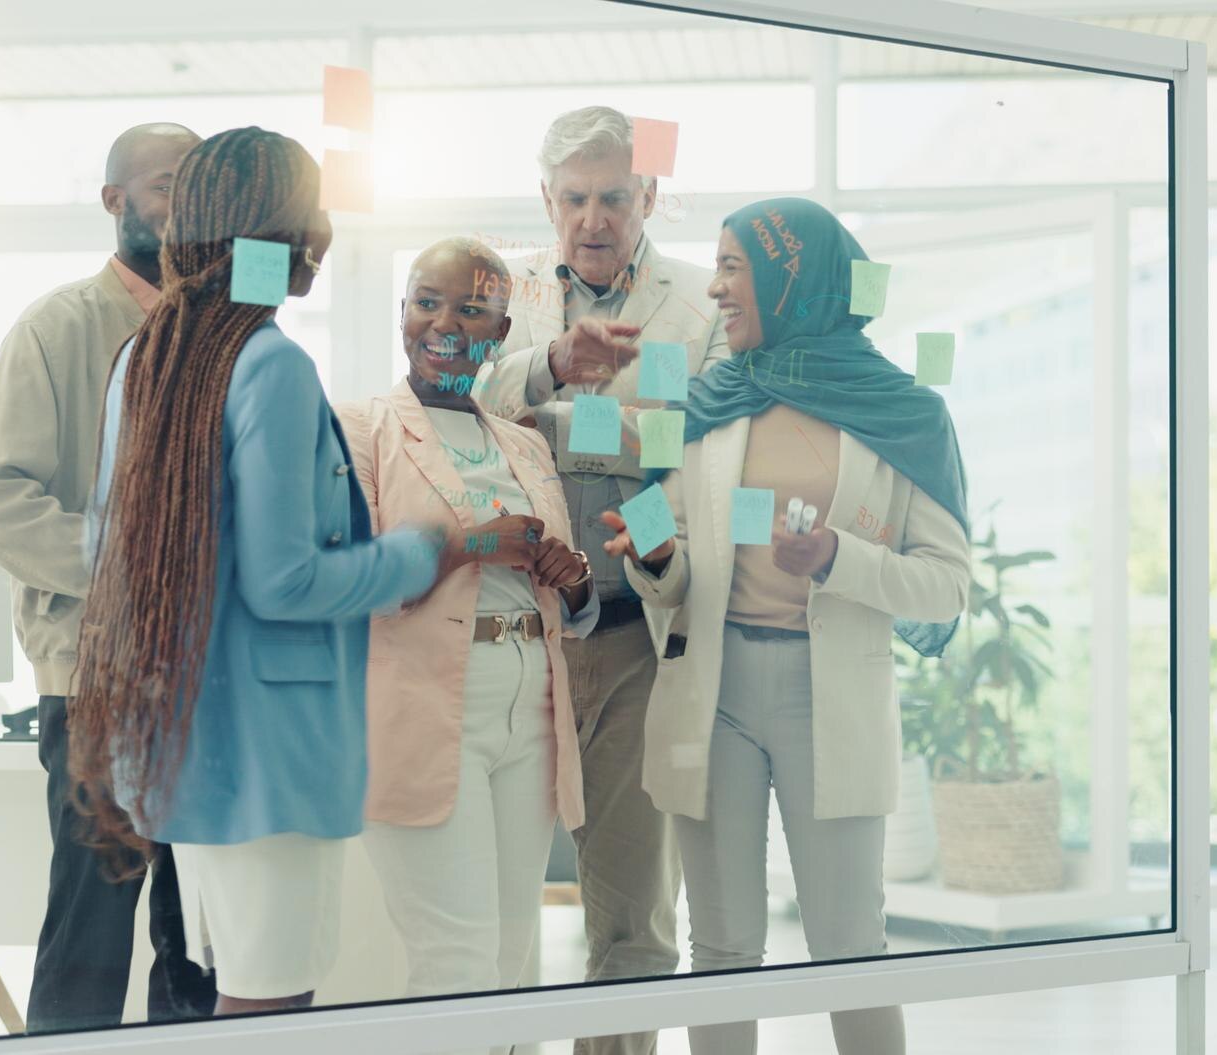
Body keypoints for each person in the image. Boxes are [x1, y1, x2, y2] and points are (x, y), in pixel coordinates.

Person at [71, 126, 464, 1017]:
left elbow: (107, 549)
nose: (323, 235)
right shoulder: (272, 364)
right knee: (269, 1008)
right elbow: (284, 581)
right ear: (271, 233)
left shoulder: (151, 353)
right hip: (274, 752)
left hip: (188, 742)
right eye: (309, 213)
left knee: (241, 1000)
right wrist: (414, 554)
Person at [602, 197, 972, 1055]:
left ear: (790, 275)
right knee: (723, 948)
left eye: (735, 267)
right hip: (714, 693)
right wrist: (652, 558)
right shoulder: (713, 400)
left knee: (851, 947)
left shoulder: (906, 415)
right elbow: (680, 557)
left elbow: (947, 587)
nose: (719, 288)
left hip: (827, 697)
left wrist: (838, 558)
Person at [472, 104, 728, 1055]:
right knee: (493, 905)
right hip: (513, 634)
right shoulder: (501, 291)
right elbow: (454, 396)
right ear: (546, 199)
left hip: (632, 637)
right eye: (574, 198)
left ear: (648, 196)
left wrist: (566, 420)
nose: (592, 218)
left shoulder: (700, 306)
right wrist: (545, 366)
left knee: (631, 919)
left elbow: (691, 454)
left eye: (613, 197)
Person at [0, 122, 211, 1032]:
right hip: (99, 679)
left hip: (208, 675)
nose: (187, 206)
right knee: (91, 937)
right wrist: (136, 564)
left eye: (201, 187)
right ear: (116, 201)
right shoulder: (59, 327)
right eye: (169, 185)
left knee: (199, 941)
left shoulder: (224, 335)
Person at [334, 238, 599, 1029]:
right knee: (455, 962)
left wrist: (570, 573)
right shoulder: (359, 429)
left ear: (501, 329)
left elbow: (569, 600)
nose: (444, 324)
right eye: (427, 301)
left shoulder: (525, 443)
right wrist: (475, 542)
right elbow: (352, 580)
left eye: (471, 308)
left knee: (514, 961)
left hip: (532, 705)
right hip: (424, 706)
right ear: (403, 310)